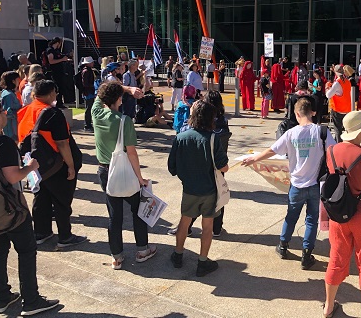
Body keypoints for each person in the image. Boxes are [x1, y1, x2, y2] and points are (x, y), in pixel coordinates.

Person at [0, 100, 60, 316]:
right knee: (27, 251)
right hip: (10, 206)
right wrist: (30, 167)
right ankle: (31, 300)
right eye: (1, 111)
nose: (5, 114)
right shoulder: (3, 143)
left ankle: (2, 298)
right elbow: (12, 176)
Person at [242, 98, 336, 269]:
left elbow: (272, 150)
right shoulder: (322, 132)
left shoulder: (291, 133)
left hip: (296, 185)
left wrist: (253, 158)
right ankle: (307, 254)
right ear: (312, 112)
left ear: (297, 113)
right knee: (311, 220)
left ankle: (283, 246)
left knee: (291, 217)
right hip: (316, 184)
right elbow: (334, 152)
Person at [323, 111, 361, 318]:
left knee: (336, 258)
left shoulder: (331, 150)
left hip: (338, 213)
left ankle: (328, 307)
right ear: (360, 131)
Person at [91, 81, 156, 269]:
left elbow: (101, 92)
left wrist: (123, 89)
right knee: (138, 209)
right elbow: (132, 153)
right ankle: (143, 248)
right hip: (125, 170)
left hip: (105, 170)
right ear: (118, 99)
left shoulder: (96, 113)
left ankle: (117, 255)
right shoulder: (124, 121)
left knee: (114, 214)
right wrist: (140, 177)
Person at [17, 80, 87, 249]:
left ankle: (41, 233)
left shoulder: (28, 110)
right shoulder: (52, 113)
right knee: (62, 201)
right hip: (56, 164)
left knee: (41, 198)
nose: (56, 95)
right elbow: (62, 143)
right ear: (49, 94)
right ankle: (65, 237)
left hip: (35, 164)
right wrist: (70, 166)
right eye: (55, 93)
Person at [168, 100, 229, 277]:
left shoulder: (180, 137)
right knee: (207, 226)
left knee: (184, 222)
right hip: (209, 190)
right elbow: (223, 166)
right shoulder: (212, 139)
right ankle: (202, 262)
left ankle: (178, 255)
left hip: (189, 189)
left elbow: (172, 167)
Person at [326, 65, 352, 142]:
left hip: (338, 109)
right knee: (344, 129)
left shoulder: (337, 83)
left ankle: (339, 145)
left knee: (338, 130)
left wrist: (327, 88)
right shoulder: (347, 82)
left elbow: (328, 95)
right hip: (346, 109)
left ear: (335, 72)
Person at [44, 37, 72, 108]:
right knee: (58, 87)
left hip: (59, 71)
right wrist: (62, 59)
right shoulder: (50, 50)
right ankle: (58, 103)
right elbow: (51, 61)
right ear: (57, 43)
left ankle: (60, 103)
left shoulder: (56, 51)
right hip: (54, 72)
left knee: (61, 87)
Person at [0, 71, 22, 142]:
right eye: (18, 79)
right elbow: (7, 112)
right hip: (11, 128)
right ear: (13, 81)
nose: (19, 82)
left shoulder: (7, 92)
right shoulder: (8, 95)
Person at [80, 57, 97, 130]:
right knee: (88, 108)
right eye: (91, 62)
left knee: (90, 108)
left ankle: (89, 123)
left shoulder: (89, 70)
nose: (93, 63)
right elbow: (85, 83)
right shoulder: (86, 71)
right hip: (88, 92)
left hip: (90, 91)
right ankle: (87, 125)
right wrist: (92, 85)